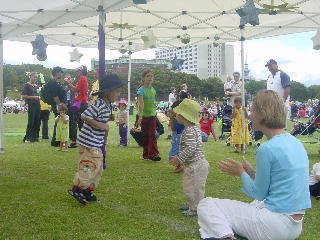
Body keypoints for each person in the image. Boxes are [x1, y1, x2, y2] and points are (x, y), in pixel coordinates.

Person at [197, 90, 311, 240]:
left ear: (263, 114)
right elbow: (280, 181)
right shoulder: (296, 143)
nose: (250, 113)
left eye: (253, 109)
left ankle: (225, 236)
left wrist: (241, 173)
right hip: (295, 227)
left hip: (273, 226)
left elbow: (259, 193)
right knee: (254, 204)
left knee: (207, 204)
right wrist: (251, 172)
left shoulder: (267, 148)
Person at [68, 74, 124, 205]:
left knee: (97, 167)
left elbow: (101, 121)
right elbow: (84, 116)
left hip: (94, 142)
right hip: (88, 142)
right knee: (90, 165)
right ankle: (78, 189)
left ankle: (87, 190)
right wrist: (102, 125)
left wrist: (105, 130)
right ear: (108, 92)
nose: (118, 95)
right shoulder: (100, 104)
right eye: (117, 92)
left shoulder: (106, 104)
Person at [169, 99, 210, 217]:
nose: (176, 115)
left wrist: (179, 158)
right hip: (196, 165)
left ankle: (195, 209)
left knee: (193, 188)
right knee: (192, 186)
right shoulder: (194, 129)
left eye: (178, 114)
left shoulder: (189, 131)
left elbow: (191, 147)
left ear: (184, 117)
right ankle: (191, 204)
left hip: (196, 165)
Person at [137, 70, 161, 161]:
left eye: (151, 76)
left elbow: (153, 103)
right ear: (143, 78)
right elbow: (141, 105)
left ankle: (154, 154)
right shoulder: (141, 90)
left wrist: (156, 114)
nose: (150, 78)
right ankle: (146, 155)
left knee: (152, 134)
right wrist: (140, 117)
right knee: (146, 135)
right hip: (144, 116)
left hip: (152, 116)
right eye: (148, 76)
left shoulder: (153, 90)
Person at [67, 65, 89, 148]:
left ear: (81, 71)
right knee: (80, 121)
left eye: (77, 71)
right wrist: (70, 85)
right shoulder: (83, 78)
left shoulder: (82, 78)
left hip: (79, 102)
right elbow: (75, 89)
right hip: (82, 101)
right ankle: (84, 141)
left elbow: (76, 89)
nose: (76, 72)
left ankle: (74, 141)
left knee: (72, 120)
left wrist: (68, 83)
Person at [46, 66, 66, 146]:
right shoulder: (53, 82)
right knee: (58, 122)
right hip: (57, 104)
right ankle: (55, 141)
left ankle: (57, 140)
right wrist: (60, 104)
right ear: (57, 73)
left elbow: (62, 92)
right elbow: (55, 95)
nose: (61, 74)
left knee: (59, 122)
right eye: (61, 72)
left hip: (58, 104)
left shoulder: (57, 82)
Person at [21, 72, 40, 143]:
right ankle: (28, 137)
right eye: (34, 77)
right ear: (30, 76)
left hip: (38, 104)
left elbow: (38, 94)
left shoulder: (36, 86)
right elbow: (23, 96)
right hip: (31, 104)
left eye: (36, 77)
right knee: (31, 121)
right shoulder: (27, 85)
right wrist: (34, 97)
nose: (35, 78)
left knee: (37, 121)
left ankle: (35, 137)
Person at [168, 100, 184, 173]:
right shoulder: (178, 116)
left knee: (173, 154)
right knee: (174, 154)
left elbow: (173, 128)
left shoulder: (180, 117)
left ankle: (180, 166)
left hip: (178, 137)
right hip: (176, 137)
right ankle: (180, 166)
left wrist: (171, 118)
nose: (172, 111)